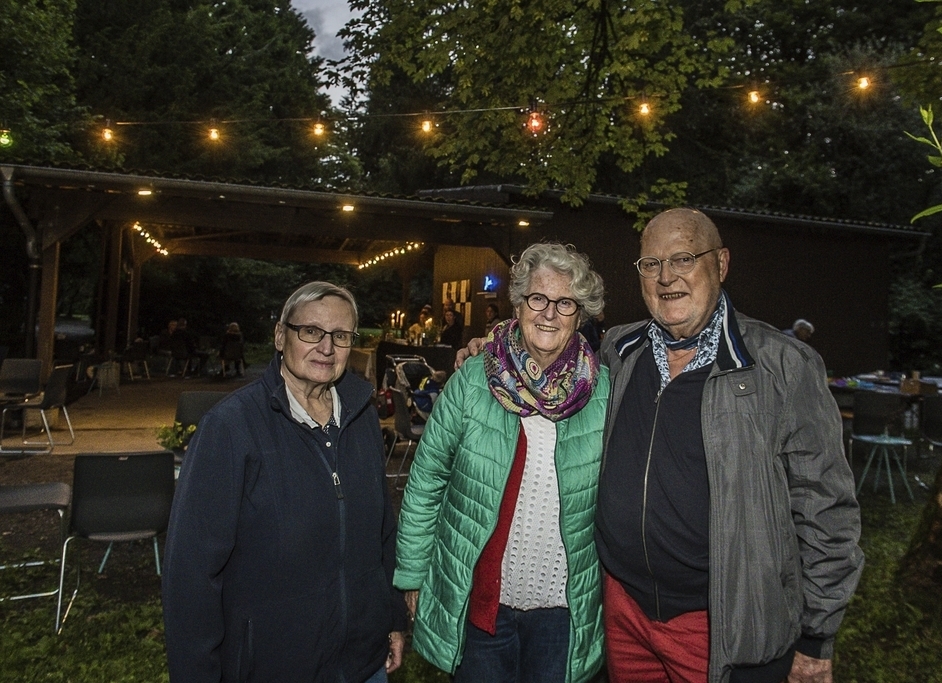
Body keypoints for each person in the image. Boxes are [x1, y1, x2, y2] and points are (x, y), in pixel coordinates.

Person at [458, 209, 863, 683]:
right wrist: (487, 356)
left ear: (722, 263)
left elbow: (827, 508)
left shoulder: (781, 366)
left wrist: (816, 638)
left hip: (718, 625)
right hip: (623, 614)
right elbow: (546, 357)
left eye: (684, 258)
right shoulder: (617, 353)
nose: (666, 276)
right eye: (650, 264)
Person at [163, 281, 406, 683]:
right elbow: (191, 574)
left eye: (341, 336)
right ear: (280, 335)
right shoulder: (231, 428)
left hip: (363, 665)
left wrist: (392, 619)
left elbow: (382, 532)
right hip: (272, 668)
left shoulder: (361, 418)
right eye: (310, 331)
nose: (326, 348)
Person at [395, 243, 608, 683]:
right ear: (518, 303)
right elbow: (427, 480)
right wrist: (413, 573)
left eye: (564, 302)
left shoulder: (605, 389)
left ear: (580, 313)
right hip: (482, 602)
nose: (549, 312)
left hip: (563, 610)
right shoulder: (474, 379)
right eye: (538, 298)